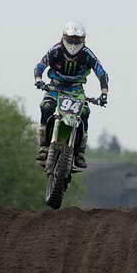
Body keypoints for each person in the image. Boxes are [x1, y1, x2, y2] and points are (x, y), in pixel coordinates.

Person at [34, 21, 109, 168]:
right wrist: (38, 80)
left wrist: (104, 93)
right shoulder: (55, 50)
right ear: (64, 37)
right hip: (55, 87)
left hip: (76, 90)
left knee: (85, 113)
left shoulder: (87, 54)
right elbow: (40, 65)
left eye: (77, 40)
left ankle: (80, 152)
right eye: (71, 39)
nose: (73, 43)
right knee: (46, 107)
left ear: (83, 39)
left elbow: (101, 72)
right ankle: (43, 147)